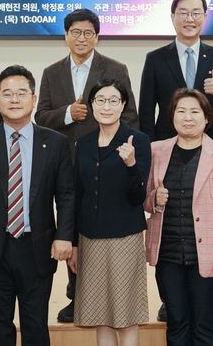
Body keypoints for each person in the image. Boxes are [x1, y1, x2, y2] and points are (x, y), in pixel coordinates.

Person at [35, 8, 138, 323]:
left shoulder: (116, 69)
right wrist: (68, 113)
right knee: (71, 224)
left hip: (105, 162)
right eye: (76, 32)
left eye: (88, 33)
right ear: (66, 36)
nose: (82, 38)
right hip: (65, 163)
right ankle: (75, 294)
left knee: (102, 226)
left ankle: (107, 294)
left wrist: (115, 153)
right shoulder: (51, 72)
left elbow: (130, 116)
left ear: (97, 36)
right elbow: (41, 117)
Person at [0, 65, 74, 346]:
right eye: (7, 94)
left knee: (35, 325)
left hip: (36, 247)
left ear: (33, 99)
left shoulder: (56, 142)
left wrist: (64, 236)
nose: (14, 99)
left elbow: (67, 194)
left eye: (21, 93)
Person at [144, 88, 213, 345]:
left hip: (209, 254)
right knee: (176, 322)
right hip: (168, 253)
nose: (187, 117)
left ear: (206, 118)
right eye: (181, 111)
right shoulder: (156, 150)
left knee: (204, 325)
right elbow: (144, 200)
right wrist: (154, 198)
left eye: (194, 112)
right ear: (172, 117)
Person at [68, 79, 150, 346]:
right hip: (90, 238)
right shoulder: (84, 143)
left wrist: (131, 164)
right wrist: (73, 243)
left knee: (125, 315)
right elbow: (77, 194)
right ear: (91, 105)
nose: (106, 106)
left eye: (113, 101)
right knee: (100, 314)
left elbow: (138, 197)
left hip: (124, 238)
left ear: (123, 105)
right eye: (100, 100)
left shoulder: (138, 141)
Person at [139, 0, 213, 142]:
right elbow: (146, 110)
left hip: (210, 140)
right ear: (173, 17)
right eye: (183, 13)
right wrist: (148, 146)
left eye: (196, 13)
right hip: (167, 141)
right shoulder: (155, 59)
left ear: (205, 17)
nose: (190, 19)